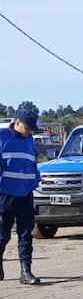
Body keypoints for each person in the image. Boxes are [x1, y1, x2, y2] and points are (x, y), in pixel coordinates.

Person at [0, 109, 42, 284]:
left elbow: (31, 163)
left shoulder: (29, 140)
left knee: (26, 234)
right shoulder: (2, 137)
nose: (29, 132)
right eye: (27, 128)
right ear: (17, 122)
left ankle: (26, 272)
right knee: (3, 234)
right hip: (5, 195)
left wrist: (35, 179)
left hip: (25, 194)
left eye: (31, 129)